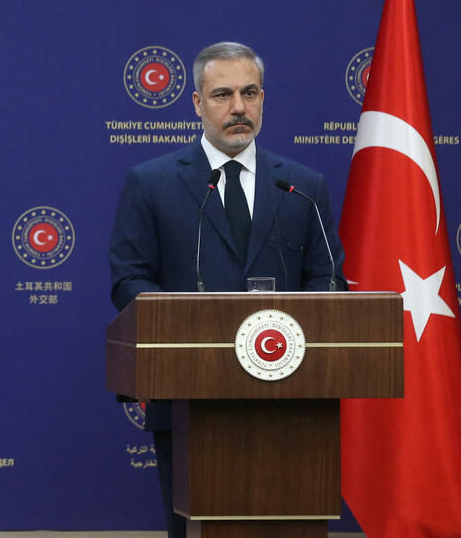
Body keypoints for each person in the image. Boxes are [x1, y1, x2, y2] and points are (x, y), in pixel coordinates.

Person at [108, 41, 342, 538]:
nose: (238, 107)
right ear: (197, 103)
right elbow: (129, 279)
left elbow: (328, 280)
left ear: (263, 99)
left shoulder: (302, 187)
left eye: (249, 93)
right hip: (190, 398)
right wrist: (193, 329)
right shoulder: (151, 183)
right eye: (223, 95)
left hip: (292, 400)